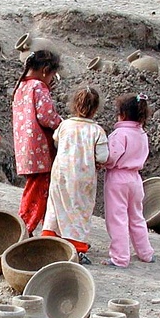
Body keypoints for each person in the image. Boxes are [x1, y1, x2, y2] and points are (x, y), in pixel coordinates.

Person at [40, 86, 108, 264]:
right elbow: (103, 156)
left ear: (74, 106)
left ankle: (49, 236)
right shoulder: (97, 131)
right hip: (83, 177)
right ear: (95, 109)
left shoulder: (65, 125)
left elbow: (56, 142)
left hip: (61, 173)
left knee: (56, 205)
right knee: (80, 209)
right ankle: (77, 247)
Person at [12, 50, 62, 235]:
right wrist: (63, 125)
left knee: (35, 187)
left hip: (26, 148)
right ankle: (24, 228)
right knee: (38, 191)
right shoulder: (38, 87)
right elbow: (46, 116)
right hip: (40, 149)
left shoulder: (21, 86)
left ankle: (42, 228)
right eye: (51, 75)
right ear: (45, 70)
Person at [103, 93, 155, 268]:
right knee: (137, 217)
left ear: (122, 114)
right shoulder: (142, 134)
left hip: (117, 179)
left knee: (117, 219)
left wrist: (102, 162)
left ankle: (120, 257)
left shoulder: (119, 134)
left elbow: (111, 157)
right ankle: (146, 253)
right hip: (135, 179)